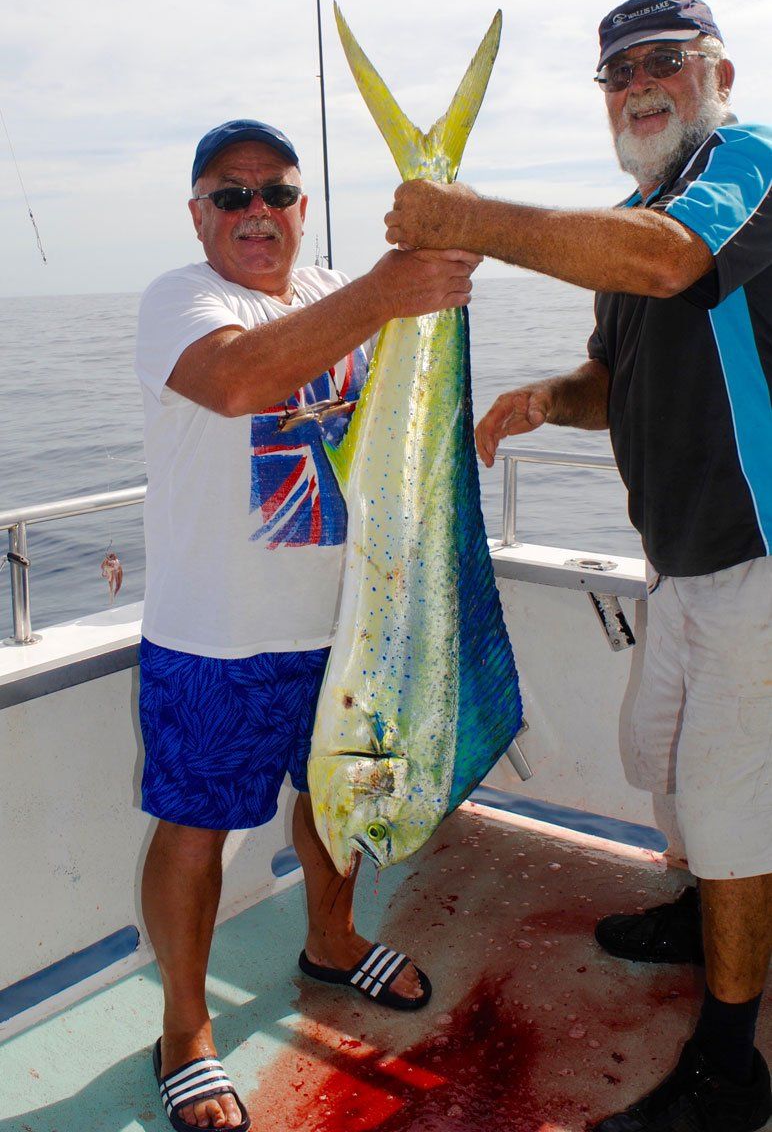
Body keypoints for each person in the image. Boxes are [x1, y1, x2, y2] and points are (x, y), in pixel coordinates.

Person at [384, 0, 771, 1132]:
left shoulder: (745, 164)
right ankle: (703, 912)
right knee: (657, 754)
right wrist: (546, 397)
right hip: (678, 561)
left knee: (728, 795)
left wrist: (467, 217)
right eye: (617, 71)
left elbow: (666, 263)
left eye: (664, 61)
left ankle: (729, 1065)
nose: (639, 83)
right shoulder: (627, 221)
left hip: (756, 554)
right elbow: (615, 374)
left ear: (718, 73)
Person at [134, 118, 479, 1132]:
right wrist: (387, 288)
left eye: (273, 192)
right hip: (218, 637)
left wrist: (436, 252)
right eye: (228, 195)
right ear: (198, 213)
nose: (254, 212)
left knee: (340, 802)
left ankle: (332, 941)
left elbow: (410, 397)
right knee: (199, 828)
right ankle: (187, 1028)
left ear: (301, 206)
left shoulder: (338, 291)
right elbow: (241, 379)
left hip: (350, 626)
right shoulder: (180, 300)